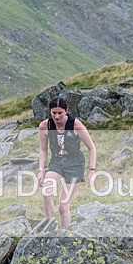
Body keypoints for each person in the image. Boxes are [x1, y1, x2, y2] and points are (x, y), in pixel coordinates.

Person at [37, 97, 97, 228]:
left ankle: (64, 235)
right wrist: (41, 170)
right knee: (46, 191)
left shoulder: (76, 125)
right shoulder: (45, 126)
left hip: (75, 163)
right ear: (50, 112)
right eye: (54, 113)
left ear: (66, 111)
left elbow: (92, 148)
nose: (57, 116)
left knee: (63, 207)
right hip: (57, 161)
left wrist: (92, 170)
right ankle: (50, 223)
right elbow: (43, 150)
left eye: (60, 113)